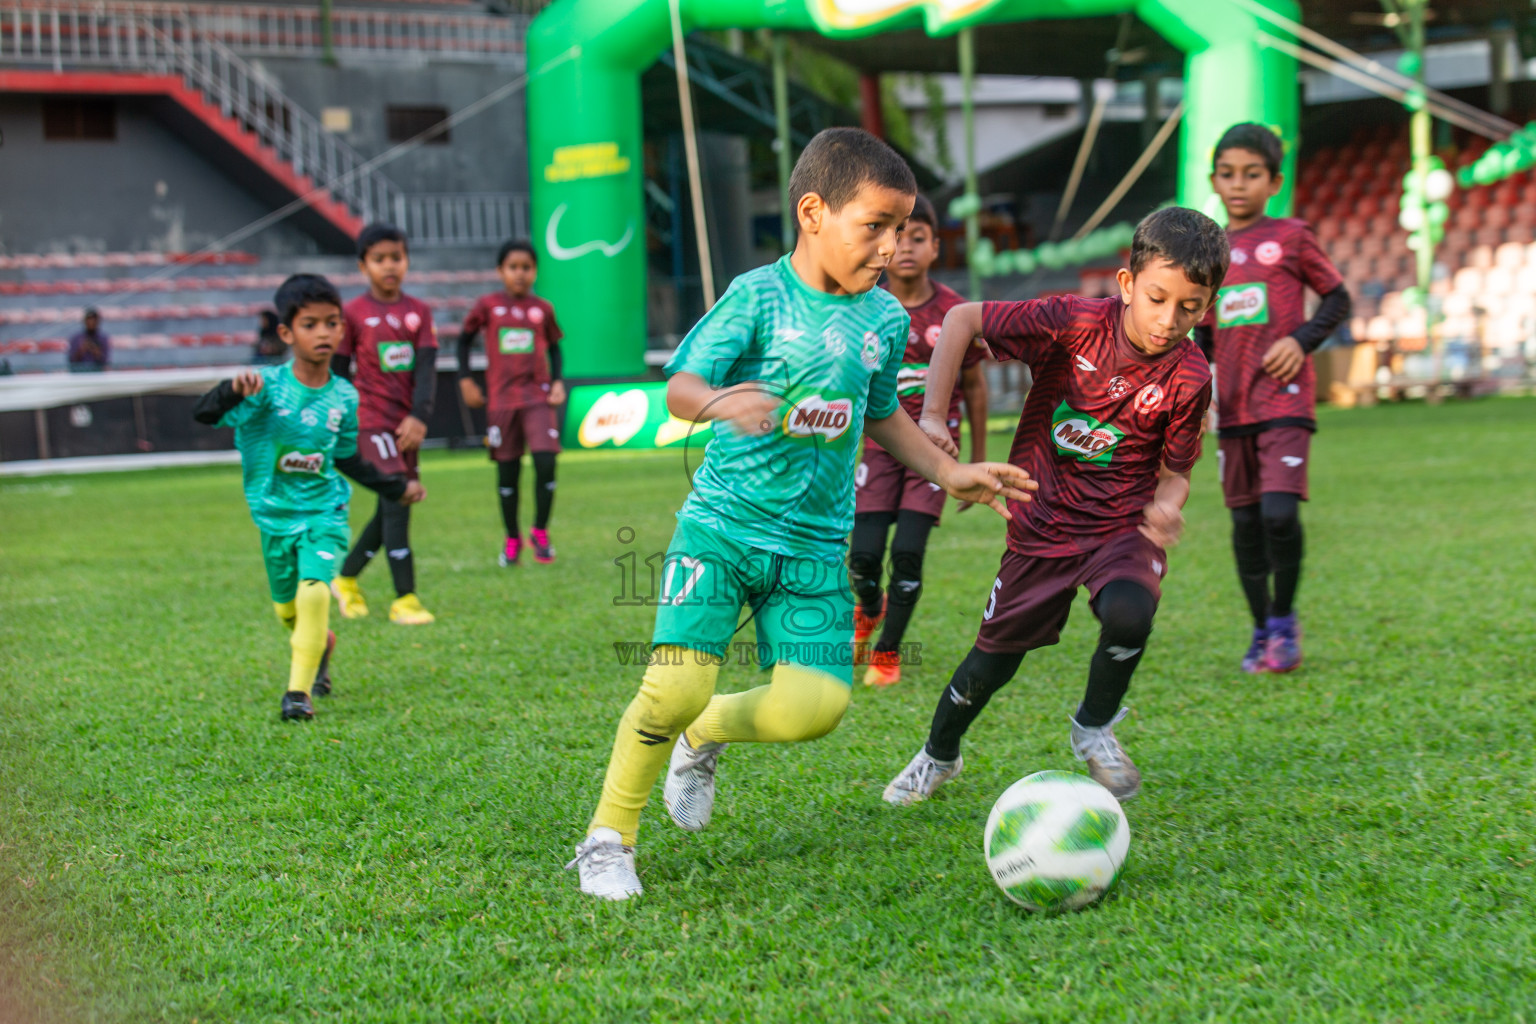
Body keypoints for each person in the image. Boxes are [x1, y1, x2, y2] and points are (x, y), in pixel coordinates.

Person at [565, 128, 1036, 901]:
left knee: (814, 708)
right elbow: (680, 388)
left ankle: (705, 732)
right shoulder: (756, 296)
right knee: (673, 682)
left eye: (900, 229)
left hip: (815, 549)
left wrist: (950, 470)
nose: (889, 246)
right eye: (874, 226)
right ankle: (608, 838)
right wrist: (725, 399)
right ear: (813, 212)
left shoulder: (884, 321)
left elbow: (883, 414)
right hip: (722, 529)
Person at [881, 205, 1227, 807]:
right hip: (1039, 523)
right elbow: (961, 320)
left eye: (1190, 308)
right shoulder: (1072, 321)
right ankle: (938, 755)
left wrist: (1169, 506)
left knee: (1129, 611)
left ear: (1208, 305)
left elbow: (1175, 474)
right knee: (991, 662)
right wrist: (934, 415)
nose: (1170, 320)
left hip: (1120, 528)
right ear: (1126, 285)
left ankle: (1093, 728)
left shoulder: (1191, 376)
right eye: (1157, 298)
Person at [192, 275, 425, 720]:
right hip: (273, 517)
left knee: (317, 590)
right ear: (286, 332)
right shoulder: (263, 387)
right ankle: (322, 644)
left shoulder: (343, 395)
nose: (323, 333)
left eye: (331, 323)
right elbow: (203, 414)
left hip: (324, 512)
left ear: (342, 330)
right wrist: (230, 390)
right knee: (287, 609)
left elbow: (347, 459)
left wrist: (398, 487)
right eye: (310, 324)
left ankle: (298, 694)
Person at [1200, 123, 1351, 674]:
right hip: (1233, 408)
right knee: (1244, 525)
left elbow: (1338, 298)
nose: (1239, 184)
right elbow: (1204, 331)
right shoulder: (1207, 247)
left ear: (1275, 181)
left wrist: (1300, 339)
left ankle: (1285, 620)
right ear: (1213, 180)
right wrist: (1203, 385)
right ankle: (1261, 626)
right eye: (1228, 174)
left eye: (1252, 174)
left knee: (1279, 514)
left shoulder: (1291, 236)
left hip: (1284, 401)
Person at [849, 193, 990, 687]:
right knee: (862, 556)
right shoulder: (865, 305)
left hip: (935, 452)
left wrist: (975, 458)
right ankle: (869, 609)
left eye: (919, 238)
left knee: (907, 553)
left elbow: (973, 386)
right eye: (898, 236)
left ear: (935, 248)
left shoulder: (955, 312)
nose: (906, 247)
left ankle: (887, 654)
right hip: (876, 449)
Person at [330, 224, 439, 626]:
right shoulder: (353, 314)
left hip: (406, 425)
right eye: (379, 259)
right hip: (369, 422)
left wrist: (418, 417)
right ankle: (405, 599)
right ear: (364, 266)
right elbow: (339, 373)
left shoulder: (419, 313)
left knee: (394, 502)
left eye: (396, 257)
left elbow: (426, 372)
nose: (389, 266)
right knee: (398, 499)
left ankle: (346, 579)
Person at [456, 240, 566, 566]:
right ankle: (512, 538)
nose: (520, 274)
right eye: (513, 267)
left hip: (537, 397)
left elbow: (556, 349)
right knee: (508, 470)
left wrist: (557, 381)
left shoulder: (542, 309)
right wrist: (465, 380)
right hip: (501, 402)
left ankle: (540, 532)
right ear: (500, 271)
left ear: (534, 271)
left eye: (526, 267)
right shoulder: (487, 306)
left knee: (546, 459)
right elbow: (463, 341)